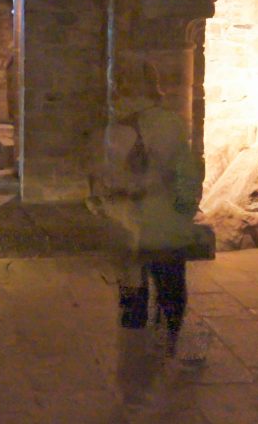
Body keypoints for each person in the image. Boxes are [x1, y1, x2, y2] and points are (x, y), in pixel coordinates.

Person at [89, 59, 203, 357]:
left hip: (128, 224)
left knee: (133, 292)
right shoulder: (171, 124)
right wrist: (185, 208)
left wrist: (106, 206)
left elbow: (102, 178)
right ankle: (167, 342)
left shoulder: (113, 130)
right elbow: (187, 174)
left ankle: (134, 354)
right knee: (170, 287)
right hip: (163, 222)